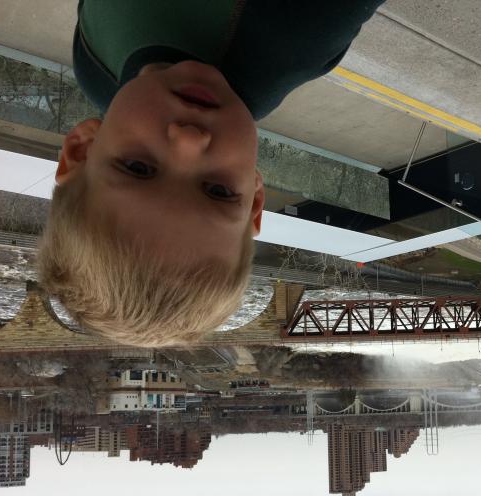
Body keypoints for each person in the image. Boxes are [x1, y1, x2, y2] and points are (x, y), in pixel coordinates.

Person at [38, 0, 385, 347]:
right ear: (254, 199)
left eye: (138, 168)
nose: (190, 140)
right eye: (217, 191)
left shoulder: (92, 68)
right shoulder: (307, 27)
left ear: (83, 150)